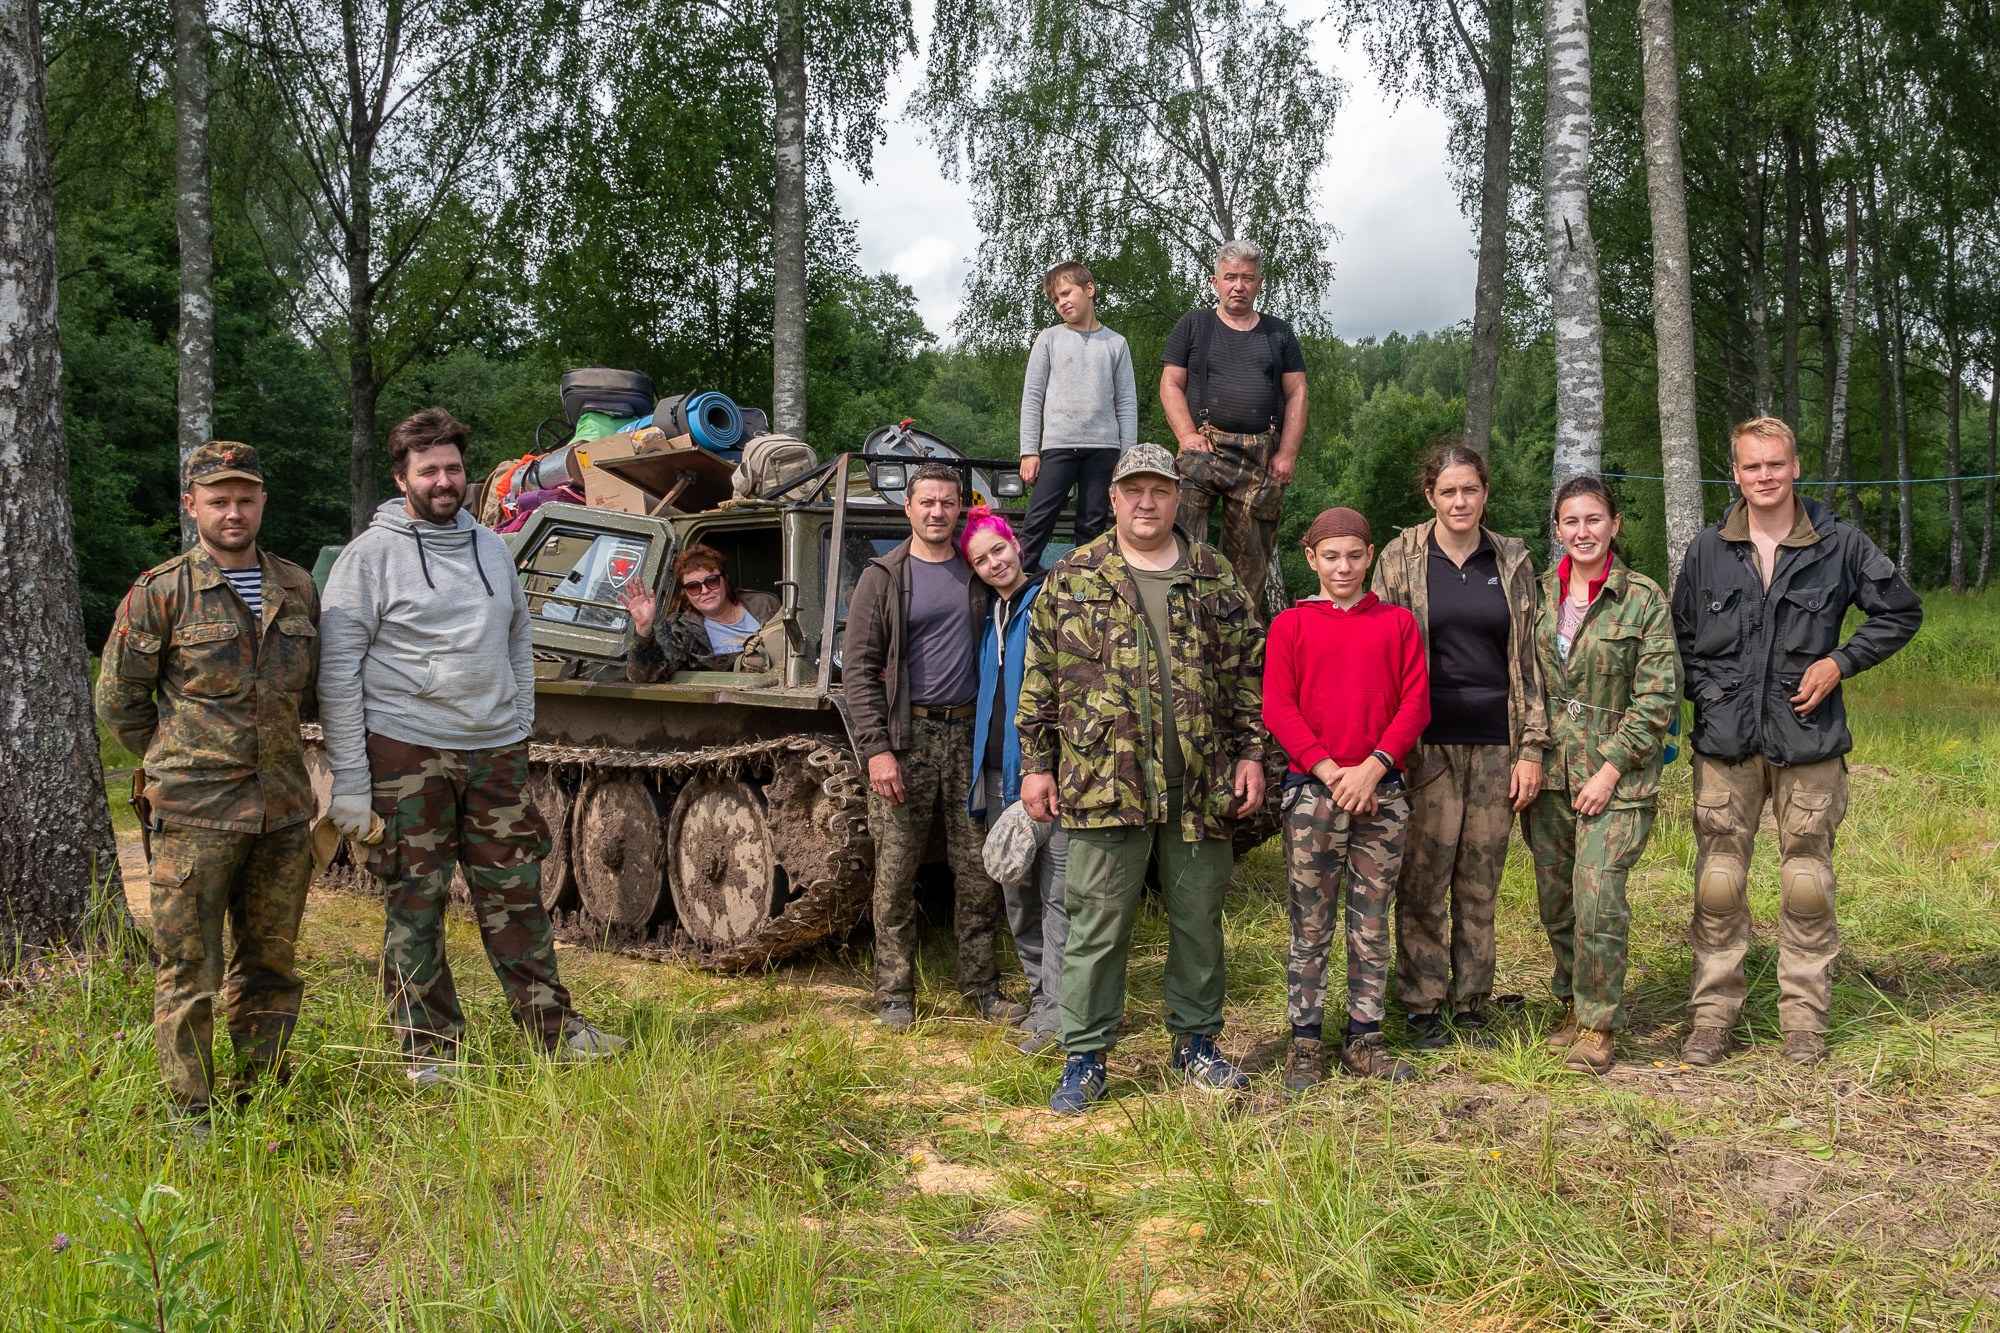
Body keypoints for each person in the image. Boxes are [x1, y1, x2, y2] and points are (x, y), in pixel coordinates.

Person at [319, 408, 624, 1082]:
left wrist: (517, 724)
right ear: (402, 477)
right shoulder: (367, 558)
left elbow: (519, 637)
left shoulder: (490, 547)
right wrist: (348, 778)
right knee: (416, 903)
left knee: (516, 895)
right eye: (428, 469)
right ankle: (429, 1049)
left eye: (453, 467)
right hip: (408, 751)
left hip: (494, 752)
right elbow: (337, 672)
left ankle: (553, 1026)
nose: (444, 480)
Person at [1018, 443, 1267, 1114]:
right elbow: (1038, 677)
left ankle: (1196, 1045)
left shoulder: (1212, 574)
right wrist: (1036, 765)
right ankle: (1086, 1055)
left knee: (1198, 922)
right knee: (1097, 924)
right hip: (1105, 784)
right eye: (1134, 490)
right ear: (1115, 498)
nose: (1147, 501)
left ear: (1177, 497)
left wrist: (1251, 754)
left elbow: (1250, 671)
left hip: (1199, 787)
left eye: (1159, 489)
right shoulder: (1075, 575)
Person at [1672, 416, 1921, 1067]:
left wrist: (1840, 661)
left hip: (1809, 743)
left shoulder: (1838, 544)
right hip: (1726, 748)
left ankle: (1804, 1018)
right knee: (1718, 884)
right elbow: (1681, 640)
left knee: (1805, 883)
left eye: (1775, 464)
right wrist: (1711, 696)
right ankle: (1712, 1015)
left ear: (1795, 465)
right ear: (1735, 471)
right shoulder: (1707, 549)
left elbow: (1902, 609)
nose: (1764, 476)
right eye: (1752, 466)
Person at [95, 442, 321, 1136]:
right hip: (195, 814)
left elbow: (306, 692)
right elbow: (119, 701)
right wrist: (179, 757)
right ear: (192, 504)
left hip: (282, 813)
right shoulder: (161, 591)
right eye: (218, 499)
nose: (233, 510)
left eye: (244, 497)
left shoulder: (296, 585)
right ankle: (192, 1111)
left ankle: (264, 1096)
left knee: (271, 966)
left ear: (260, 503)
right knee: (188, 969)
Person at [1371, 443, 1551, 1049]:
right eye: (1447, 491)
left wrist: (1532, 746)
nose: (1459, 501)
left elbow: (1533, 658)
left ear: (1484, 493)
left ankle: (1471, 1001)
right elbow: (1380, 653)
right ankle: (1422, 1004)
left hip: (1498, 742)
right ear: (1430, 496)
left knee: (1480, 880)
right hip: (1424, 745)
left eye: (1469, 489)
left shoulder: (1514, 561)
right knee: (1422, 879)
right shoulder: (1400, 558)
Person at [842, 462, 1015, 1032]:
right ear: (908, 509)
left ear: (959, 510)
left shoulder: (976, 571)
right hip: (907, 738)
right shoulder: (884, 577)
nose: (938, 512)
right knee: (894, 874)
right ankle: (894, 993)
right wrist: (876, 749)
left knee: (978, 871)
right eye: (927, 502)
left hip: (968, 736)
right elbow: (860, 671)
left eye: (948, 503)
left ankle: (981, 986)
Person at [1263, 507, 1431, 1091]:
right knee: (1310, 920)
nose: (1343, 567)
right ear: (1311, 558)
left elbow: (1415, 704)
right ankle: (1305, 1039)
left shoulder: (1397, 624)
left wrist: (1375, 766)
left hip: (1382, 792)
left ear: (1370, 558)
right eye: (1331, 556)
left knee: (1371, 917)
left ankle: (1365, 1035)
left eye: (1354, 556)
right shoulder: (1291, 625)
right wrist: (1332, 771)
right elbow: (1278, 708)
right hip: (1314, 792)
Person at [1523, 476, 1681, 1075]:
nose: (1582, 532)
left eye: (1594, 520)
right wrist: (1531, 756)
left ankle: (1597, 1022)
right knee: (1557, 900)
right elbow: (1529, 684)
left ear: (1614, 525)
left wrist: (1611, 769)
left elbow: (1658, 696)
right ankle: (1569, 1003)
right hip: (1552, 778)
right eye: (1571, 521)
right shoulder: (1541, 595)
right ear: (1558, 529)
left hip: (1617, 780)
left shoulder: (1641, 597)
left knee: (1598, 897)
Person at [961, 506, 1070, 1054]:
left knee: (1057, 895)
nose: (993, 563)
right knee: (1016, 892)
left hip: (1045, 773)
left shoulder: (1050, 603)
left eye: (998, 549)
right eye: (980, 559)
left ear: (1017, 546)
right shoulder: (990, 617)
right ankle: (1039, 995)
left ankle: (1058, 1013)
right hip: (996, 772)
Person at [1160, 239, 1308, 617]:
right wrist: (1186, 436)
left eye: (1247, 277)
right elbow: (1170, 384)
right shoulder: (1194, 324)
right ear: (1215, 282)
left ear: (1260, 283)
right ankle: (1179, 622)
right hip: (1204, 449)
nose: (1238, 285)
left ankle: (1236, 647)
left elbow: (1297, 392)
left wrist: (1287, 453)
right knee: (1177, 541)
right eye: (1230, 277)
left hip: (1262, 455)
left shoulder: (1279, 333)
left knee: (1250, 565)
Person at [1015, 262, 1138, 571]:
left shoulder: (1116, 343)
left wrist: (1127, 454)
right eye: (1056, 300)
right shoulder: (1049, 339)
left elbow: (1125, 402)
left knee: (1092, 525)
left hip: (1104, 449)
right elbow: (1032, 397)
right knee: (1038, 521)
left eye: (1067, 293)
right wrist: (1029, 450)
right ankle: (1013, 588)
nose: (1062, 303)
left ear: (1089, 289)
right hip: (1059, 444)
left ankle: (1085, 595)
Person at [619, 543, 780, 679]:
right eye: (693, 586)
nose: (704, 590)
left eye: (711, 581)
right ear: (686, 592)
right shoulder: (679, 629)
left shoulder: (765, 605)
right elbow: (644, 676)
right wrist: (643, 629)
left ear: (725, 580)